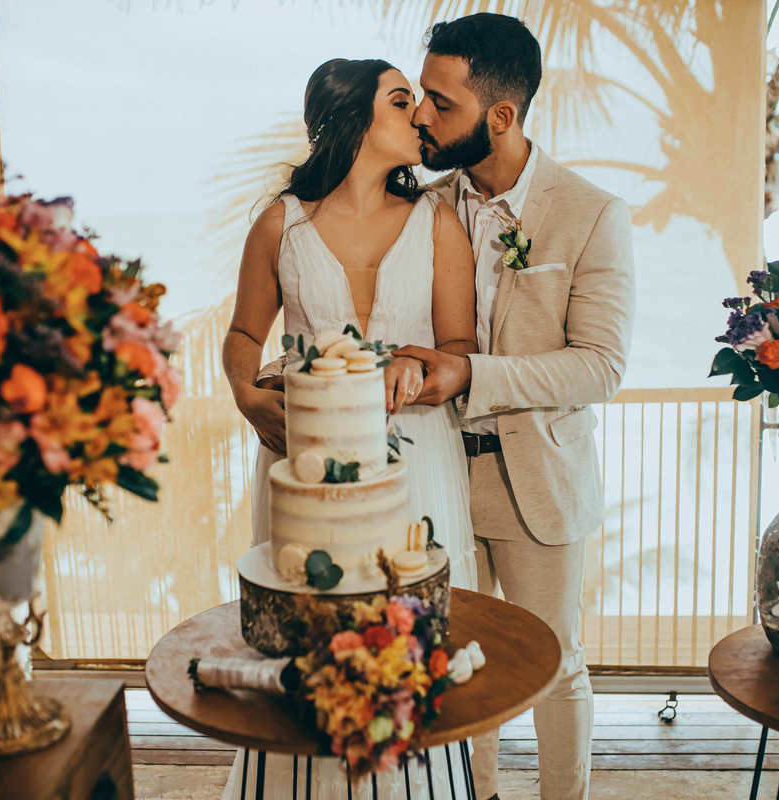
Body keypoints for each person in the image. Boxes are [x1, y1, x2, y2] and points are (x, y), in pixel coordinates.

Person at [221, 56, 479, 798]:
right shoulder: (280, 224)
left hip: (419, 461)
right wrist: (246, 394)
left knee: (410, 647)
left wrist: (419, 365)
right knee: (309, 638)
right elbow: (244, 334)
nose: (422, 115)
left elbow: (459, 350)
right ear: (352, 120)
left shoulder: (438, 222)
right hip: (307, 460)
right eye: (403, 102)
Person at [394, 14, 636, 800]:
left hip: (539, 481)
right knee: (459, 662)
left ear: (500, 116)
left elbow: (599, 366)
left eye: (440, 101)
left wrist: (471, 376)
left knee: (557, 664)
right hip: (437, 478)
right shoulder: (420, 208)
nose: (420, 116)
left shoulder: (593, 212)